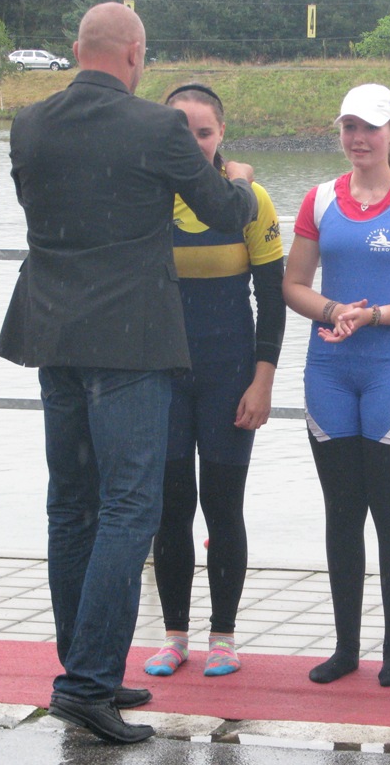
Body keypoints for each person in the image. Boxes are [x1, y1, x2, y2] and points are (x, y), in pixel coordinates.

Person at [0, 2, 258, 745]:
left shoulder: (30, 123)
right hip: (131, 342)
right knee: (129, 509)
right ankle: (86, 685)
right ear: (136, 55)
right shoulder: (157, 127)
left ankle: (89, 669)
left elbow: (47, 208)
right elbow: (221, 211)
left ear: (79, 50)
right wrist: (237, 179)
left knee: (70, 506)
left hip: (52, 335)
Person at [282, 83, 390, 688]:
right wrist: (334, 311)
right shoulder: (318, 200)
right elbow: (293, 284)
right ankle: (346, 649)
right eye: (350, 127)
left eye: (371, 128)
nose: (359, 138)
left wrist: (375, 315)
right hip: (329, 371)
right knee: (341, 511)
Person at [143, 83, 285, 679]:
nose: (193, 142)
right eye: (181, 131)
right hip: (164, 378)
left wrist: (263, 382)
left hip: (230, 378)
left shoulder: (252, 199)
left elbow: (272, 301)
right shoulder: (147, 197)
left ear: (221, 134)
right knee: (170, 510)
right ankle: (174, 636)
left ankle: (223, 636)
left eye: (203, 132)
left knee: (223, 507)